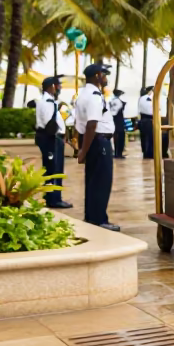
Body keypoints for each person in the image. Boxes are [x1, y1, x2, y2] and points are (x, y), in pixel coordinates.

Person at [74, 63, 119, 231]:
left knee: (93, 181)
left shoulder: (83, 94)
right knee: (101, 182)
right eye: (104, 74)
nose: (106, 78)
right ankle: (99, 220)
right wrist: (83, 152)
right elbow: (91, 124)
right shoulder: (93, 96)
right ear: (98, 75)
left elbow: (80, 125)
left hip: (94, 142)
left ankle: (91, 217)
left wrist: (82, 148)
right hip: (99, 142)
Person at [34, 76, 72, 210]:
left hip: (50, 138)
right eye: (58, 86)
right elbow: (50, 123)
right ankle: (54, 199)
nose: (59, 88)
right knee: (54, 169)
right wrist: (58, 136)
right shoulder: (47, 102)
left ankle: (50, 196)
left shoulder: (47, 101)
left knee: (52, 168)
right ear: (52, 87)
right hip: (51, 138)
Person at [108, 89, 128, 160]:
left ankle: (117, 153)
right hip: (118, 120)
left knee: (116, 137)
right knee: (120, 137)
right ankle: (119, 153)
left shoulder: (112, 100)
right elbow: (116, 111)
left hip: (114, 120)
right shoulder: (118, 101)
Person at [138, 86, 154, 159]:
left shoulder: (141, 98)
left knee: (144, 137)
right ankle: (149, 153)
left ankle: (145, 152)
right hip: (149, 120)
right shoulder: (149, 98)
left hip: (142, 119)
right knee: (149, 138)